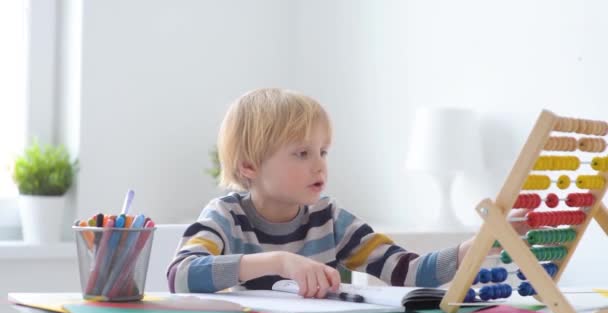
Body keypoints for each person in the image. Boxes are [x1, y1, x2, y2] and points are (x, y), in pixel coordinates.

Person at [166, 88, 527, 298]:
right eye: (301, 153)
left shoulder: (330, 218)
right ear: (249, 167)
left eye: (323, 152)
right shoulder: (226, 216)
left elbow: (407, 269)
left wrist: (475, 246)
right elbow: (180, 275)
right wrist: (280, 261)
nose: (319, 165)